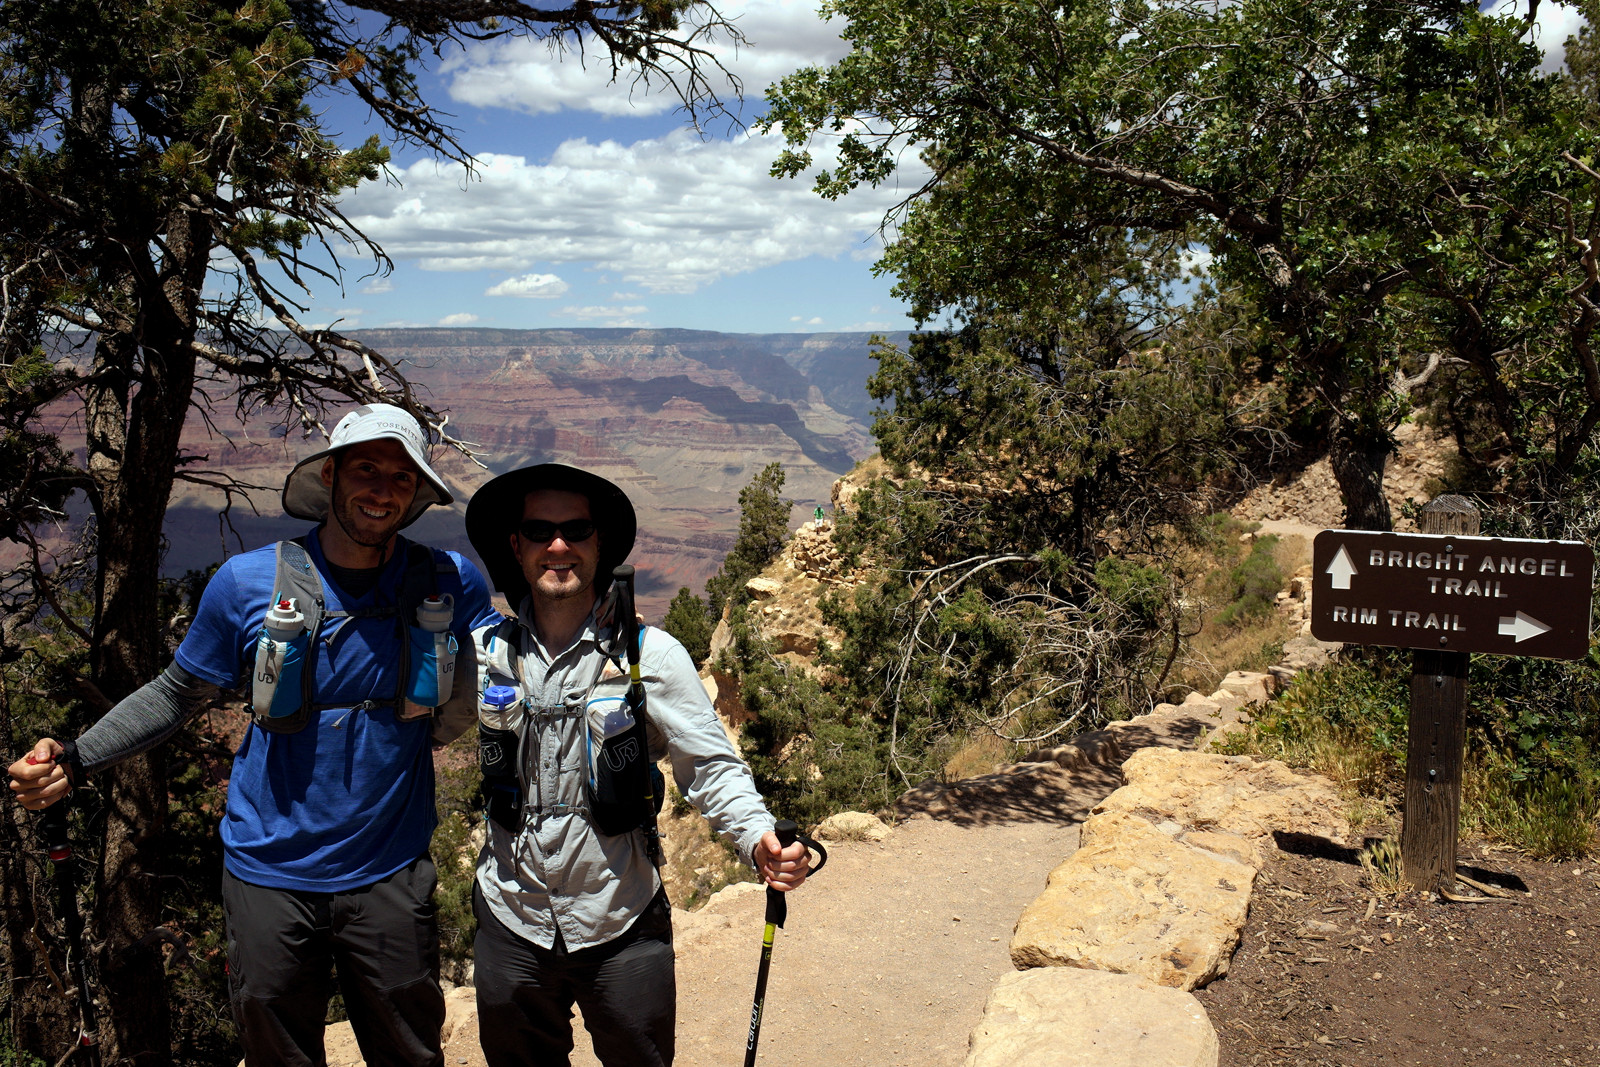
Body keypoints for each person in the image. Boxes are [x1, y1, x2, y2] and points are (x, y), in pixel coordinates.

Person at [8, 404, 498, 1067]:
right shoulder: (246, 583)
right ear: (330, 475)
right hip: (270, 872)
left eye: (400, 477)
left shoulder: (447, 580)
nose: (382, 490)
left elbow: (509, 663)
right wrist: (76, 755)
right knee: (280, 1055)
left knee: (409, 1052)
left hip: (389, 868)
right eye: (366, 469)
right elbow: (177, 693)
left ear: (415, 495)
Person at [463, 464, 811, 1067]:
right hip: (509, 917)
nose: (558, 545)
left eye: (576, 529)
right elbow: (409, 726)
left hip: (620, 918)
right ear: (515, 545)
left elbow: (710, 764)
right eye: (539, 529)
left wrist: (757, 836)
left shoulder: (652, 655)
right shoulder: (484, 655)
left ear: (600, 544)